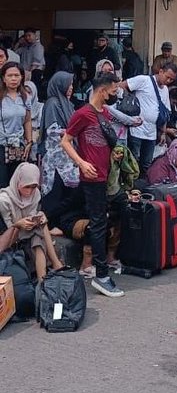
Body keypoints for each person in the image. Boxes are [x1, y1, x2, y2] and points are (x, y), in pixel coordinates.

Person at [61, 73, 125, 298]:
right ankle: (101, 275)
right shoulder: (83, 114)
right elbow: (65, 141)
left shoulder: (103, 113)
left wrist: (114, 156)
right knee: (98, 223)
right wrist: (81, 162)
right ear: (102, 91)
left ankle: (101, 271)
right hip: (92, 177)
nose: (115, 95)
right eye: (113, 92)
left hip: (106, 176)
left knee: (105, 219)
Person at [0, 161, 63, 278]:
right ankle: (55, 265)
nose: (29, 191)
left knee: (38, 230)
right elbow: (7, 231)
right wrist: (19, 224)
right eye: (26, 187)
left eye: (33, 187)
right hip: (11, 237)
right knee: (38, 231)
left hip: (29, 234)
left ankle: (43, 280)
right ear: (18, 182)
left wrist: (39, 218)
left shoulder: (36, 194)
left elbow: (32, 216)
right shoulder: (4, 200)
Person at [120, 64, 177, 176]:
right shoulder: (144, 80)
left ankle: (142, 188)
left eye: (171, 79)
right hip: (137, 129)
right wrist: (130, 102)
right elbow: (122, 85)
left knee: (146, 163)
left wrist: (163, 133)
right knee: (133, 161)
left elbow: (165, 113)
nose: (168, 80)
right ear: (161, 71)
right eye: (167, 77)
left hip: (151, 132)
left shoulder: (165, 90)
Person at [39, 72, 79, 221]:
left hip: (67, 156)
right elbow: (51, 130)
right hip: (55, 156)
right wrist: (71, 132)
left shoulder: (67, 104)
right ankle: (49, 223)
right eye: (69, 84)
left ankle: (61, 222)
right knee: (54, 190)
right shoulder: (53, 103)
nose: (71, 88)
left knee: (65, 191)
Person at [0, 62, 32, 188]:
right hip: (1, 145)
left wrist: (29, 141)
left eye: (16, 75)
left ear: (22, 77)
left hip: (19, 145)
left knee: (17, 183)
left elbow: (28, 120)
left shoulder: (25, 97)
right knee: (2, 183)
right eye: (10, 75)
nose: (13, 79)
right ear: (3, 78)